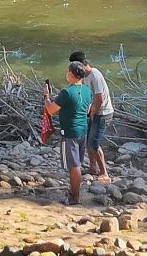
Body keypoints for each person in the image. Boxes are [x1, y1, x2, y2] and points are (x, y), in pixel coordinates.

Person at [43, 61, 92, 205]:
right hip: (83, 130)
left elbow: (51, 109)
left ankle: (74, 197)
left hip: (69, 132)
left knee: (74, 166)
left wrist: (46, 96)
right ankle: (74, 192)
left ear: (71, 74)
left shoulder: (66, 92)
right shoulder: (87, 90)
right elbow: (88, 110)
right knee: (78, 163)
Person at [69, 51, 115, 183]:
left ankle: (104, 172)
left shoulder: (95, 75)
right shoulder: (85, 77)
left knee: (93, 143)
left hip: (103, 113)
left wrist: (93, 111)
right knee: (88, 140)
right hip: (94, 111)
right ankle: (92, 168)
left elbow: (100, 98)